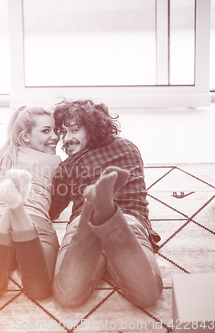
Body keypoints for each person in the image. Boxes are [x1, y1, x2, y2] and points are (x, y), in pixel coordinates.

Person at [50, 99, 163, 308]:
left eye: (74, 130)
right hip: (129, 221)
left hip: (82, 227)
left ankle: (92, 211)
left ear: (93, 128)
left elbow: (52, 210)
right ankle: (106, 213)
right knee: (149, 295)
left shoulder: (67, 166)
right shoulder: (129, 147)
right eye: (63, 133)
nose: (67, 139)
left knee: (66, 295)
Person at [0, 105, 62, 301]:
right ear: (25, 137)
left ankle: (11, 209)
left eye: (56, 130)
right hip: (35, 223)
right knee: (40, 291)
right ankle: (17, 208)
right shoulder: (55, 161)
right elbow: (55, 209)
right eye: (46, 130)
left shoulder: (2, 154)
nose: (55, 136)